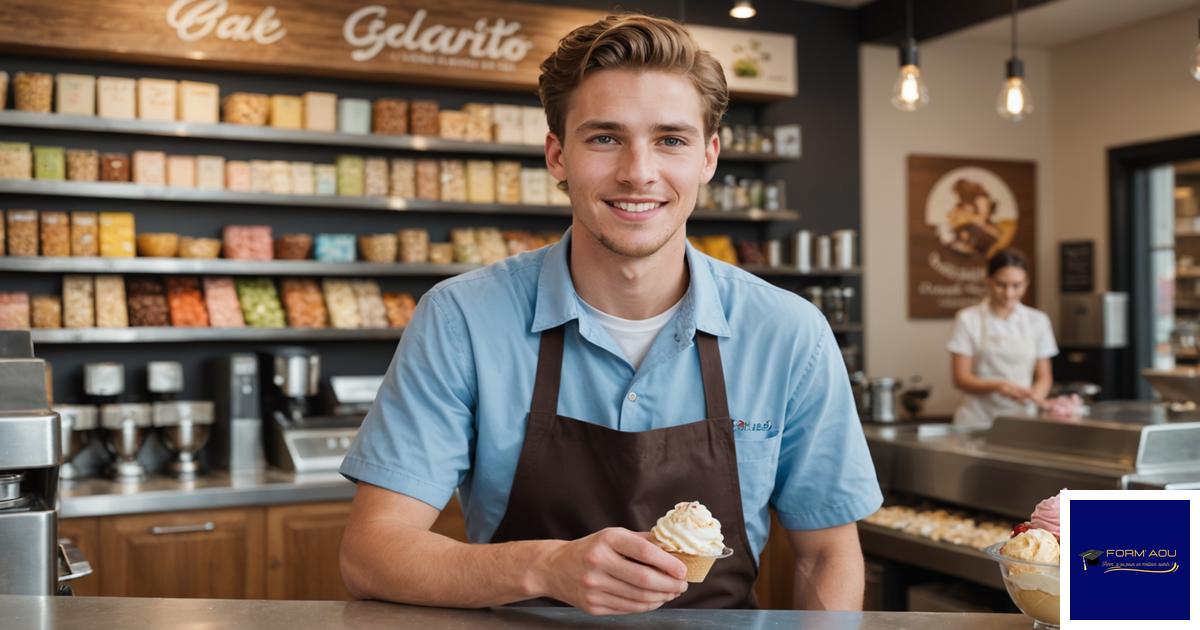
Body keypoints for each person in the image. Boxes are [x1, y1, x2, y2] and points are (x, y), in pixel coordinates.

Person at [338, 13, 882, 614]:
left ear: (708, 157)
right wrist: (544, 565)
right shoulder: (461, 319)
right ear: (557, 156)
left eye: (671, 139)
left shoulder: (789, 333)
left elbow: (825, 553)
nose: (639, 172)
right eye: (604, 137)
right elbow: (372, 553)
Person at [948, 249, 1058, 429]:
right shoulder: (968, 319)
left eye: (1017, 285)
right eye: (1001, 285)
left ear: (1027, 283)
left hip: (1022, 419)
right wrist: (998, 386)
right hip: (977, 420)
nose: (1008, 293)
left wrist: (1035, 395)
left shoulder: (1038, 321)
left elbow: (1044, 377)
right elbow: (960, 378)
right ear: (988, 280)